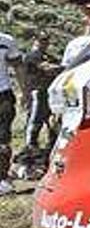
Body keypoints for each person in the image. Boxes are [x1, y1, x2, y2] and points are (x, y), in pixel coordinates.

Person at [13, 35, 60, 179]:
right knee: (33, 127)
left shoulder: (49, 56)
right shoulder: (31, 56)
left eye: (46, 40)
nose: (44, 42)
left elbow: (56, 68)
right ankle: (26, 161)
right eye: (41, 40)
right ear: (35, 40)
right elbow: (49, 69)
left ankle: (46, 160)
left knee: (53, 127)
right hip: (37, 93)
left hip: (50, 94)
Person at [0, 32, 19, 194]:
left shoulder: (6, 40)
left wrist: (26, 92)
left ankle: (2, 178)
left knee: (3, 139)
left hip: (3, 94)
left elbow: (18, 67)